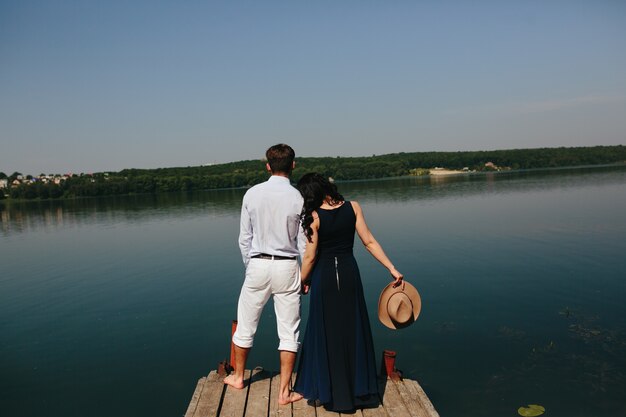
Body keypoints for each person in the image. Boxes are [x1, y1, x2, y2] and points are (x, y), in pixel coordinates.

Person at [293, 173, 403, 412]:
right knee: (353, 327)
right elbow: (369, 242)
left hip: (325, 277)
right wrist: (391, 268)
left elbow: (310, 257)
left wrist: (301, 281)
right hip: (349, 272)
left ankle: (330, 390)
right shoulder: (353, 207)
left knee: (327, 330)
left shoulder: (313, 217)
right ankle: (358, 389)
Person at [224, 144, 306, 405]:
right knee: (289, 332)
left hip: (258, 265)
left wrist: (252, 266)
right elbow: (304, 242)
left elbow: (244, 239)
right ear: (293, 165)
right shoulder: (299, 197)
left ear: (268, 166)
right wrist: (305, 275)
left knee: (245, 325)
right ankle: (284, 392)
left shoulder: (251, 194)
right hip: (288, 266)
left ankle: (238, 377)